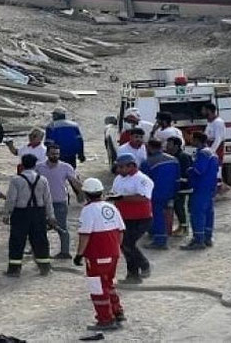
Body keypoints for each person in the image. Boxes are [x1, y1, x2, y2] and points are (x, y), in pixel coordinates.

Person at [74, 178, 126, 332]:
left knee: (98, 287)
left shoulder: (88, 210)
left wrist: (79, 254)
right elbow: (121, 232)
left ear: (86, 193)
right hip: (113, 252)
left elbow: (85, 235)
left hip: (97, 255)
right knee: (109, 283)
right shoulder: (111, 208)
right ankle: (117, 312)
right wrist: (116, 248)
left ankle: (105, 319)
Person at [4, 154, 57, 277]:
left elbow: (11, 199)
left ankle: (14, 269)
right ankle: (44, 267)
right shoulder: (42, 179)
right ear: (35, 165)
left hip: (20, 213)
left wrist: (7, 213)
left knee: (17, 241)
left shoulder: (16, 180)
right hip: (38, 213)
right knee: (40, 240)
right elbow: (48, 200)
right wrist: (51, 216)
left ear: (22, 165)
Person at [109, 153, 154, 284]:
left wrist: (121, 198)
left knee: (128, 243)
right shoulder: (118, 178)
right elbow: (115, 193)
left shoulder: (142, 179)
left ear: (131, 166)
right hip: (124, 218)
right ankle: (133, 275)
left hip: (141, 218)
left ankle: (144, 264)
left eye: (121, 167)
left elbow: (144, 197)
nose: (119, 170)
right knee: (124, 245)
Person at [35, 143, 83, 259]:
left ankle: (65, 252)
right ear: (47, 154)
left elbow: (74, 182)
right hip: (43, 203)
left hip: (60, 202)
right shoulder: (39, 167)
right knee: (40, 228)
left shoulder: (66, 167)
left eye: (57, 154)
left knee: (62, 228)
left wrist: (82, 192)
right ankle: (40, 251)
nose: (55, 156)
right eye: (52, 154)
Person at [181, 132, 220, 250]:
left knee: (197, 213)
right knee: (208, 213)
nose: (191, 141)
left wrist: (189, 170)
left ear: (197, 140)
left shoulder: (202, 154)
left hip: (200, 188)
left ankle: (198, 240)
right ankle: (207, 238)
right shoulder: (212, 152)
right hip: (210, 188)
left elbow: (199, 170)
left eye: (192, 139)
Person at [140, 139, 180, 250]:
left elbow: (144, 181)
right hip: (171, 192)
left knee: (157, 215)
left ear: (150, 148)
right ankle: (161, 234)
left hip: (156, 193)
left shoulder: (147, 162)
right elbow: (177, 178)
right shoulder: (173, 160)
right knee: (167, 214)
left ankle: (160, 241)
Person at [166, 136, 193, 237]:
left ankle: (184, 228)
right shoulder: (172, 156)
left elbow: (186, 173)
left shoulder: (183, 156)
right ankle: (181, 226)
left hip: (183, 187)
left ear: (176, 145)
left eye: (169, 144)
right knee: (177, 207)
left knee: (180, 207)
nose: (167, 146)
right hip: (176, 186)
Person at [203, 103, 226, 188]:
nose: (202, 112)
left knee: (217, 166)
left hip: (216, 147)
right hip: (209, 146)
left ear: (208, 111)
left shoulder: (218, 122)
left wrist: (211, 151)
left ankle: (218, 186)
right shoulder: (210, 122)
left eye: (203, 110)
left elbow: (218, 139)